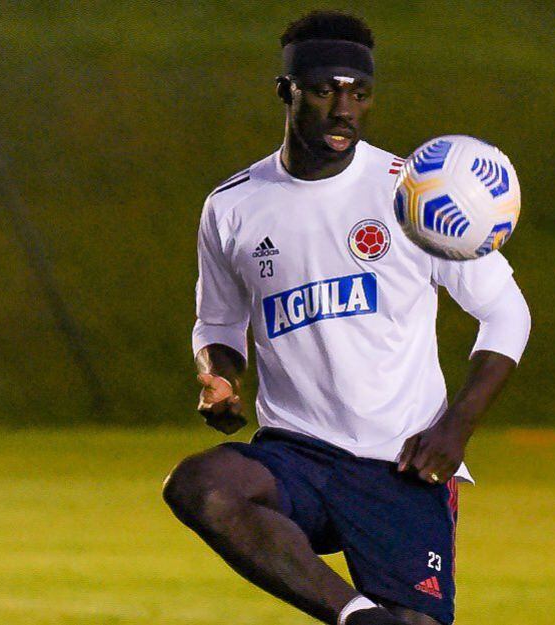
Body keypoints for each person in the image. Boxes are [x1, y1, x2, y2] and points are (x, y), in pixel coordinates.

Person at [162, 11, 531, 625]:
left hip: (401, 461)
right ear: (286, 91)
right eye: (324, 90)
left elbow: (507, 314)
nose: (344, 110)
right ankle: (358, 617)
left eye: (360, 93)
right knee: (200, 485)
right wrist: (221, 376)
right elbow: (219, 323)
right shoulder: (233, 206)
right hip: (297, 454)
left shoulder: (415, 194)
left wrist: (456, 428)